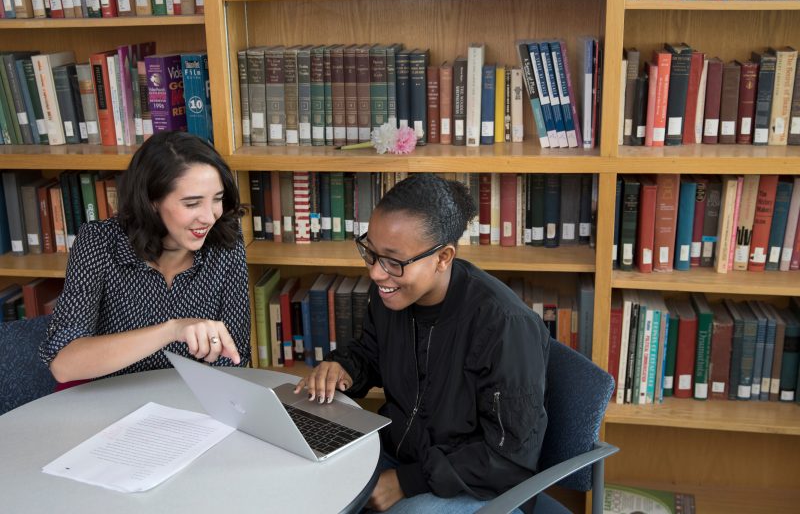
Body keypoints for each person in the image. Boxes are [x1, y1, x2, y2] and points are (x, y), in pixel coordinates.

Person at [295, 174, 550, 513]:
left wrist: (406, 481)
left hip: (480, 488)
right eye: (370, 252)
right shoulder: (392, 294)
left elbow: (508, 457)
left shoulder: (505, 327)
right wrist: (343, 367)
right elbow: (373, 352)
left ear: (443, 257)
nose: (375, 273)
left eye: (393, 261)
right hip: (402, 456)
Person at [40, 131, 251, 383]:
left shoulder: (225, 237)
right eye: (192, 204)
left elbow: (235, 356)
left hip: (192, 404)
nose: (209, 217)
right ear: (152, 200)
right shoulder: (99, 242)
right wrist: (172, 330)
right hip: (111, 403)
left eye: (217, 199)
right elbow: (64, 363)